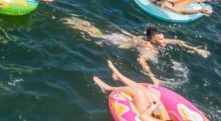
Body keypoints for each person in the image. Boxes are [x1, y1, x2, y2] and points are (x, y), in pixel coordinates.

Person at [63, 18, 211, 83]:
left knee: (97, 33)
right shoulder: (149, 48)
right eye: (159, 40)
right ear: (152, 40)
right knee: (94, 36)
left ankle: (78, 23)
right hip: (119, 42)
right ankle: (75, 24)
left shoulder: (158, 41)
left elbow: (177, 41)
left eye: (163, 38)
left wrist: (196, 49)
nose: (163, 41)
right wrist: (153, 77)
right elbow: (141, 60)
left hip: (125, 38)